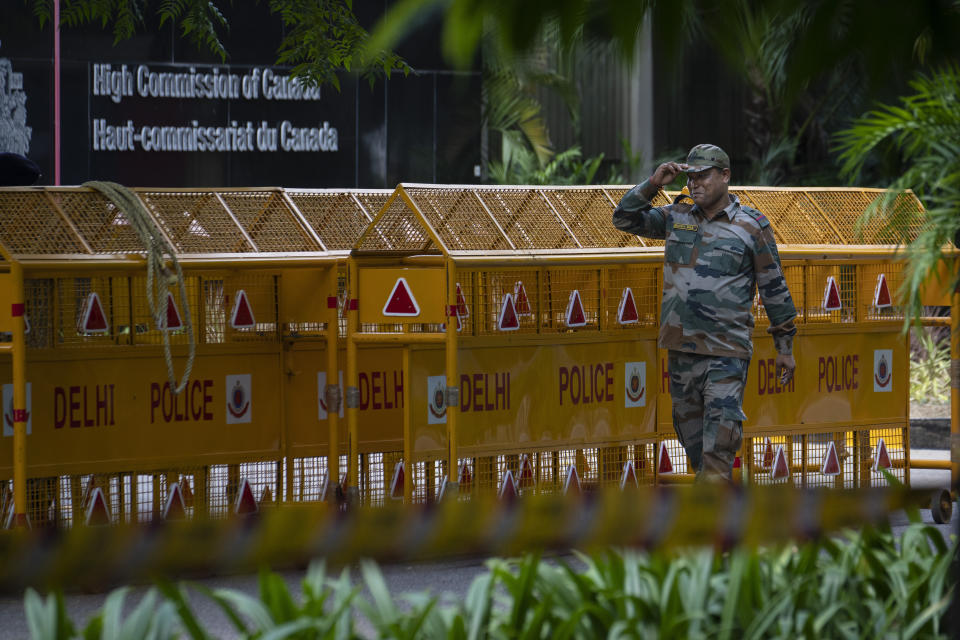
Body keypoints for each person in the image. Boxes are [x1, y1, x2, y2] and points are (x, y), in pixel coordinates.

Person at [612, 144, 797, 482]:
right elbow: (623, 218)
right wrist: (654, 183)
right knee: (695, 446)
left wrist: (784, 347)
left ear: (725, 176)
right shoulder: (676, 216)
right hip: (682, 350)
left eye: (704, 176)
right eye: (691, 177)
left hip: (726, 353)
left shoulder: (751, 226)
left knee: (718, 449)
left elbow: (774, 287)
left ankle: (710, 527)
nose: (695, 184)